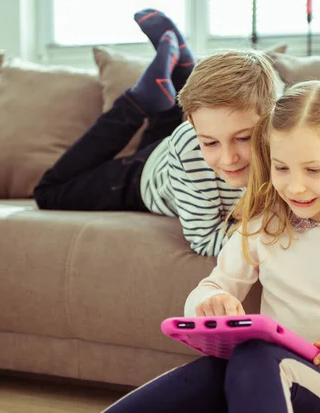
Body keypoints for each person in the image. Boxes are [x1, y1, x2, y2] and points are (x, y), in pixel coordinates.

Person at [101, 79, 320, 413]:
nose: (295, 187)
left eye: (313, 170)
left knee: (256, 354)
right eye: (282, 168)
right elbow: (213, 285)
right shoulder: (261, 228)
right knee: (213, 371)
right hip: (272, 380)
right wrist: (210, 302)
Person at [34, 9, 278, 256]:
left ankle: (179, 72)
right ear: (193, 123)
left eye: (243, 138)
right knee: (49, 191)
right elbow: (207, 242)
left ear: (271, 124)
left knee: (172, 138)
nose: (228, 158)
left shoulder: (285, 143)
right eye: (211, 142)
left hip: (171, 153)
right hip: (144, 176)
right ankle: (137, 102)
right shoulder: (190, 149)